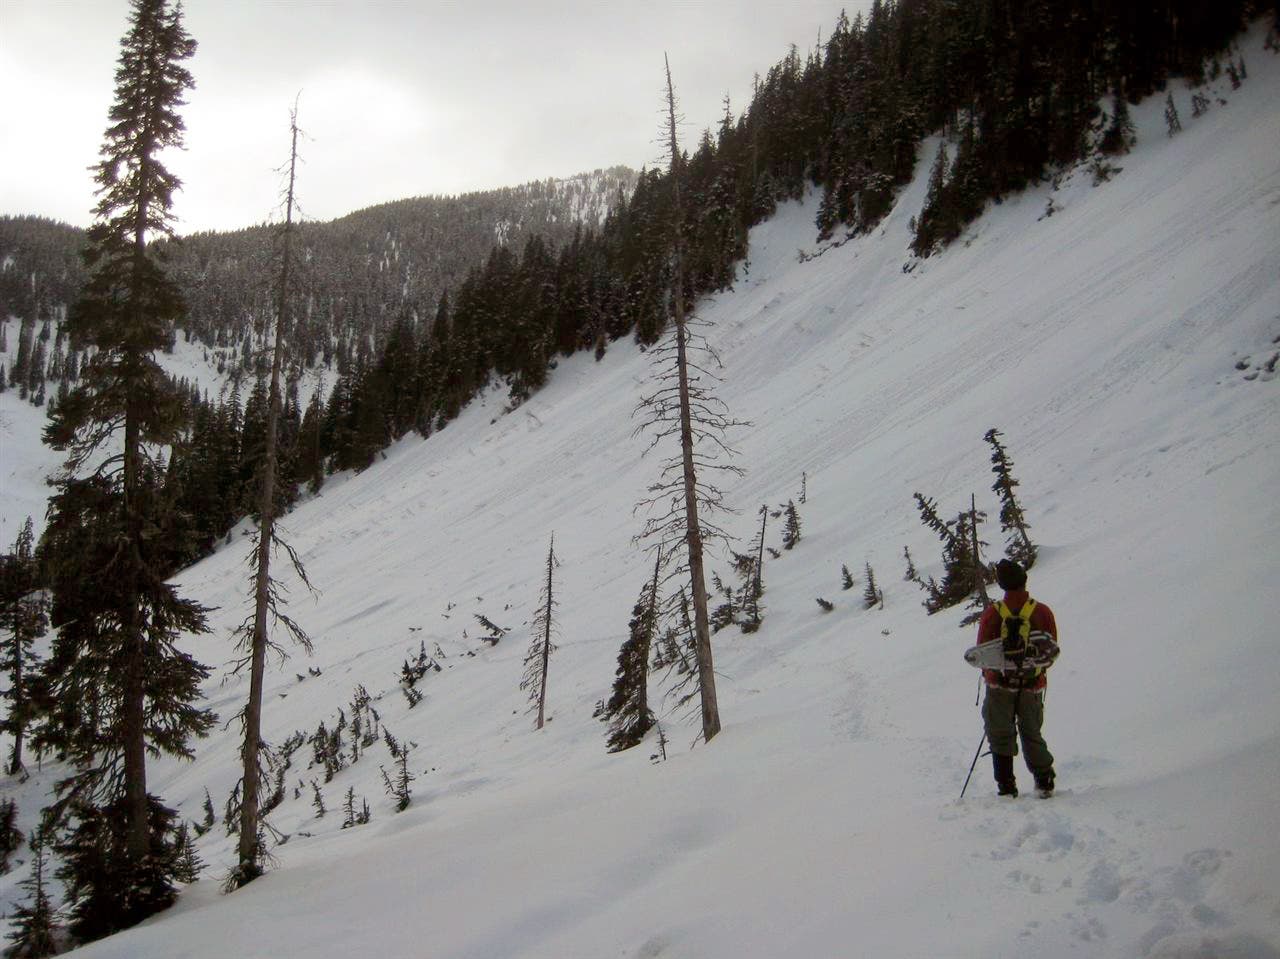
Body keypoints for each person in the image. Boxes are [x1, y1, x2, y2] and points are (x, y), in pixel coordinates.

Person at [974, 558, 1058, 797]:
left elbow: (982, 652)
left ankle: (1006, 785)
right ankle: (1044, 780)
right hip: (1032, 685)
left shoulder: (993, 614)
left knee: (999, 732)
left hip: (1000, 685)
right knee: (1032, 732)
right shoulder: (1042, 612)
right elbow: (1051, 650)